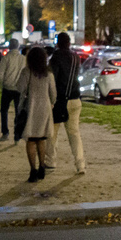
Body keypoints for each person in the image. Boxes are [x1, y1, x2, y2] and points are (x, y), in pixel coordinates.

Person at [45, 33, 86, 174]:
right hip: (75, 98)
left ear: (57, 43)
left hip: (59, 100)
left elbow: (52, 79)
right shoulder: (76, 57)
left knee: (53, 132)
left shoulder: (55, 57)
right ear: (69, 43)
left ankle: (50, 161)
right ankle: (80, 164)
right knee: (74, 133)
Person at [15, 45, 56, 182]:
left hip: (31, 109)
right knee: (41, 139)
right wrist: (51, 103)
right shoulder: (48, 74)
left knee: (31, 140)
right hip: (44, 109)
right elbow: (53, 94)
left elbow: (20, 88)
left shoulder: (27, 72)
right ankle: (42, 167)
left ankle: (33, 170)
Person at [0, 36, 26, 142]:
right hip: (19, 89)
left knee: (4, 110)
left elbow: (0, 74)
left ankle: (5, 132)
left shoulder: (6, 58)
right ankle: (17, 135)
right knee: (18, 112)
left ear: (9, 47)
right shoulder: (23, 59)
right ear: (18, 47)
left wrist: (1, 85)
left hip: (7, 88)